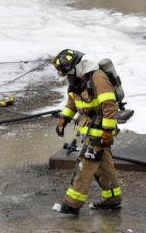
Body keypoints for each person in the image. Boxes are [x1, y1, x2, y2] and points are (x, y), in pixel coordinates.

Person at [50, 48, 123, 215]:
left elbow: (110, 105)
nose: (66, 75)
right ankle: (112, 198)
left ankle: (72, 204)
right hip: (88, 125)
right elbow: (72, 103)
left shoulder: (97, 77)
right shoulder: (76, 79)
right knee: (103, 165)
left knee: (86, 163)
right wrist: (64, 119)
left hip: (99, 126)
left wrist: (107, 131)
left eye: (67, 71)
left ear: (76, 66)